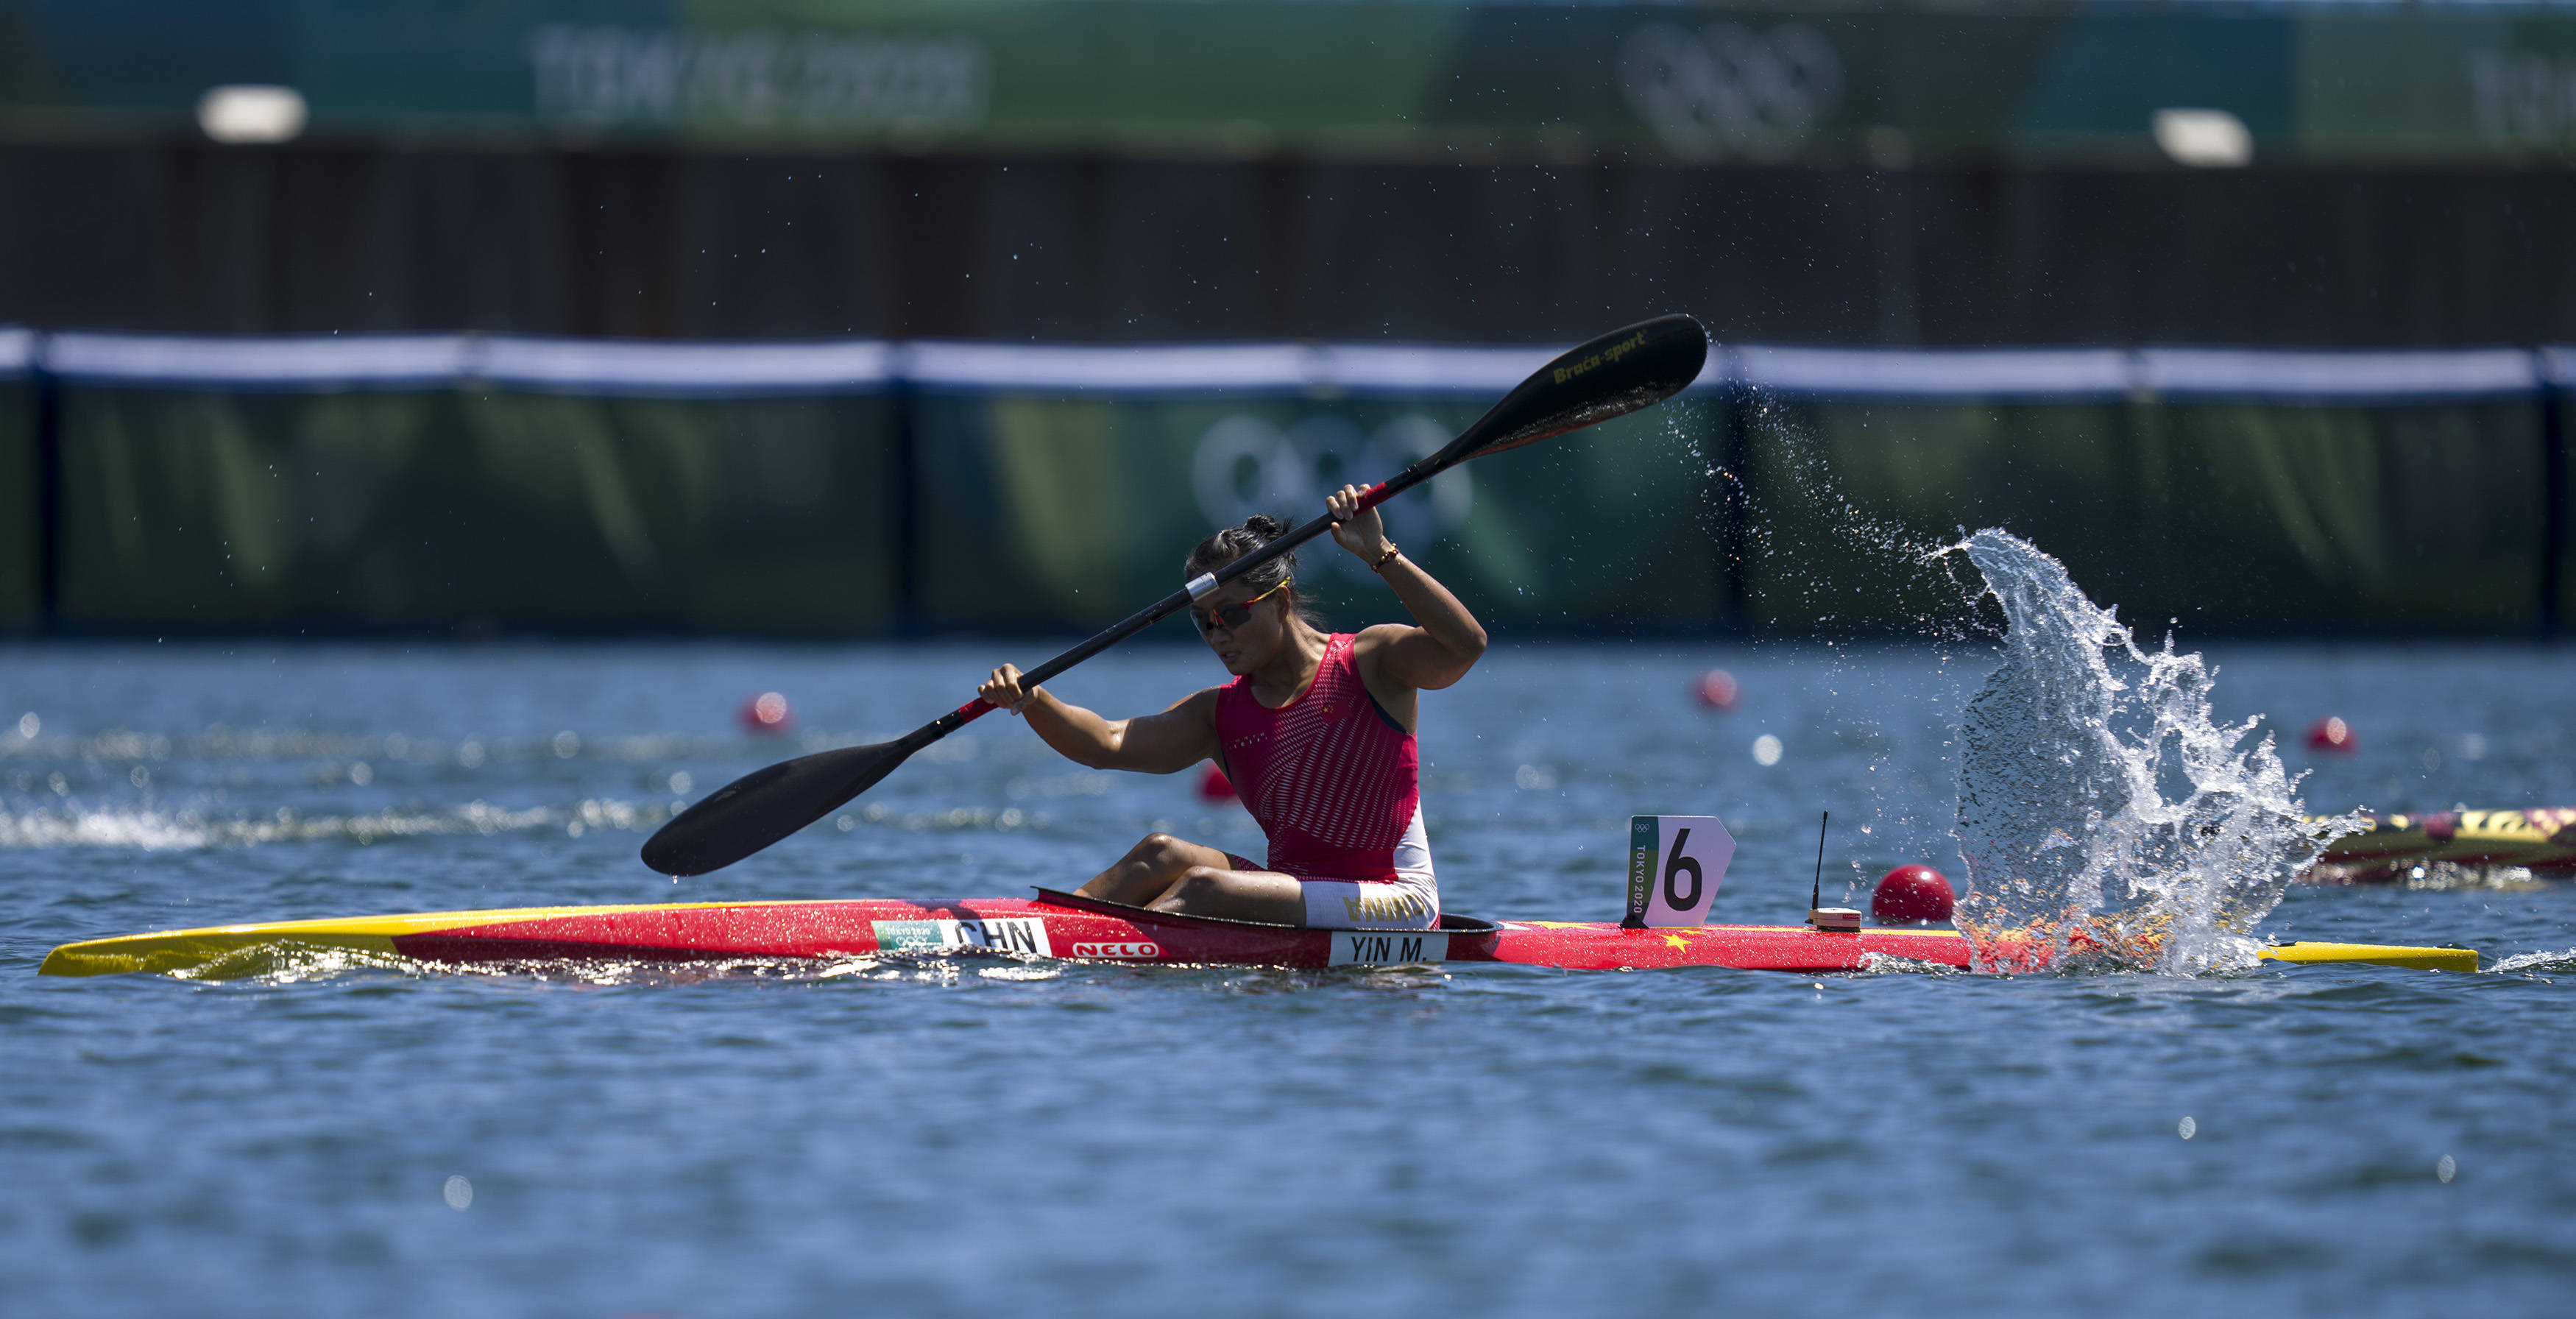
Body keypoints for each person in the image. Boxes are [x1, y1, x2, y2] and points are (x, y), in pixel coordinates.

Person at [977, 484, 1488, 929]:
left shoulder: (1371, 662)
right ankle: (1042, 931)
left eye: (1231, 615)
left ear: (1281, 604)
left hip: (1396, 901)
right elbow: (1105, 744)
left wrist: (1379, 552)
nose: (1217, 635)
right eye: (1203, 621)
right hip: (1294, 890)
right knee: (1161, 853)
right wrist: (1034, 699)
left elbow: (1462, 647)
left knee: (1204, 887)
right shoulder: (1218, 715)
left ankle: (1099, 954)